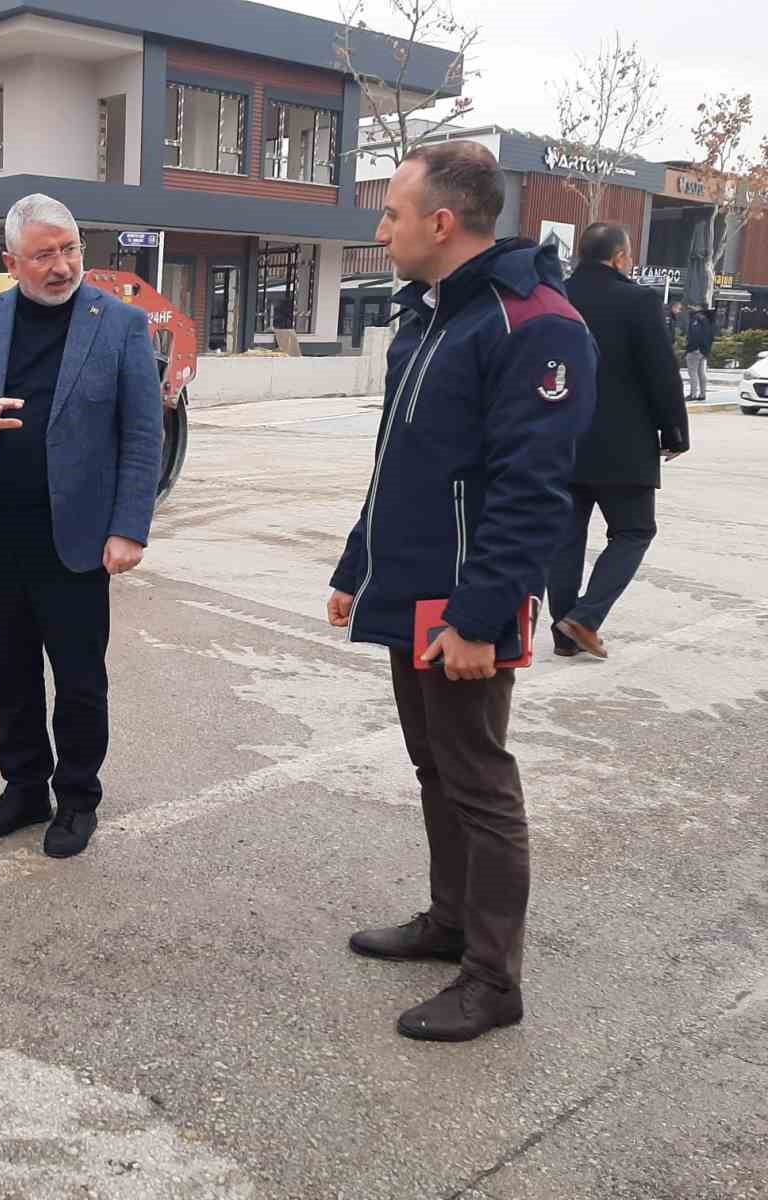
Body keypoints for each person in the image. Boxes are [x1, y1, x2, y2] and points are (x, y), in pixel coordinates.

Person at [327, 142, 596, 1041]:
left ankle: (493, 979)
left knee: (479, 782)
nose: (382, 229)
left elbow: (533, 492)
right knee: (434, 767)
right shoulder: (435, 316)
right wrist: (355, 567)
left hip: (465, 605)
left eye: (392, 214)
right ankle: (449, 922)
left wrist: (481, 618)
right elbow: (401, 464)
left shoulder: (535, 324)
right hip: (411, 591)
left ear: (441, 223)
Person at [0, 194, 162, 860]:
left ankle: (77, 798)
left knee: (79, 678)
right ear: (12, 261)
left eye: (71, 248)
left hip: (75, 535)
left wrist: (129, 526)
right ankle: (24, 788)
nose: (62, 265)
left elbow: (141, 432)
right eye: (44, 254)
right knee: (10, 673)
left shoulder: (122, 325)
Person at [548, 224, 688, 659]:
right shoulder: (639, 300)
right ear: (621, 257)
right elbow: (660, 371)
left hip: (560, 438)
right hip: (624, 443)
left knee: (566, 537)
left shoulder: (554, 299)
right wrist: (674, 430)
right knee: (634, 531)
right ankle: (585, 619)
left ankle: (564, 636)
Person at [684, 306, 714, 400]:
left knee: (693, 373)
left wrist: (692, 348)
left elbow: (695, 335)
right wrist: (706, 350)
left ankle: (693, 394)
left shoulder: (696, 319)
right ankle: (702, 394)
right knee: (701, 373)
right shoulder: (708, 320)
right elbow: (711, 336)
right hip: (704, 350)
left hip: (695, 350)